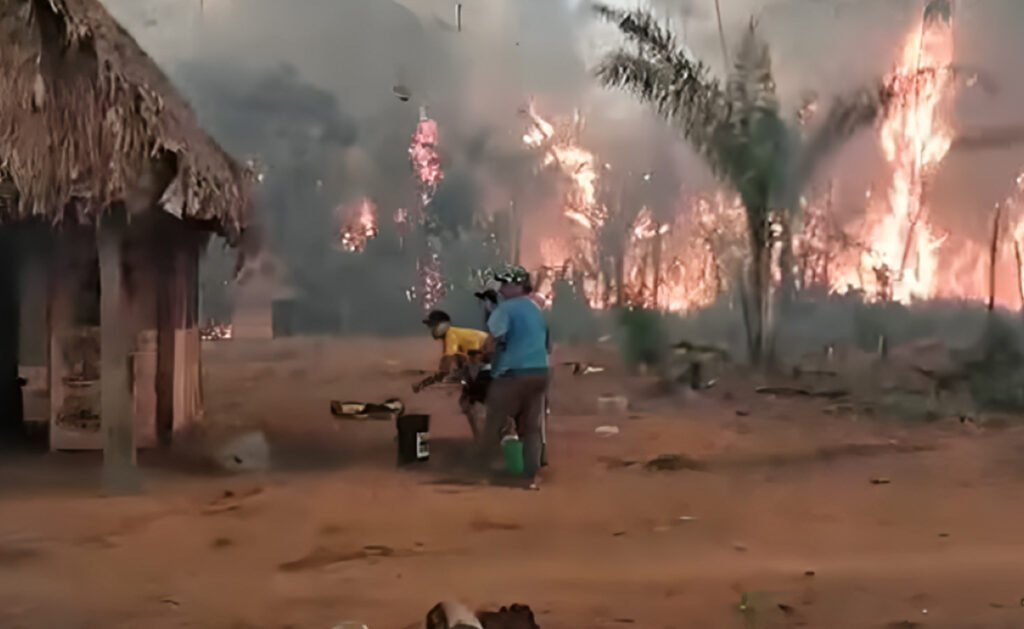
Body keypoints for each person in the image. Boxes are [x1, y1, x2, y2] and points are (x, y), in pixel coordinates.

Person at [481, 265, 550, 488]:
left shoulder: (506, 309)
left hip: (514, 373)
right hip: (540, 372)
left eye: (506, 284)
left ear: (517, 286)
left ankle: (488, 472)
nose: (502, 289)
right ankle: (530, 477)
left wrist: (483, 354)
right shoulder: (536, 309)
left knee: (495, 422)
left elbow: (493, 340)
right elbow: (548, 344)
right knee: (531, 427)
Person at [413, 310, 489, 438]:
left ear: (442, 325)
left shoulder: (451, 336)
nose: (431, 330)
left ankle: (483, 439)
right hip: (487, 362)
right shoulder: (456, 336)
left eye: (433, 325)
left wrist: (425, 383)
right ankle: (482, 437)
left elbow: (446, 365)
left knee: (471, 403)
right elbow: (461, 362)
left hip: (488, 363)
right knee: (469, 402)